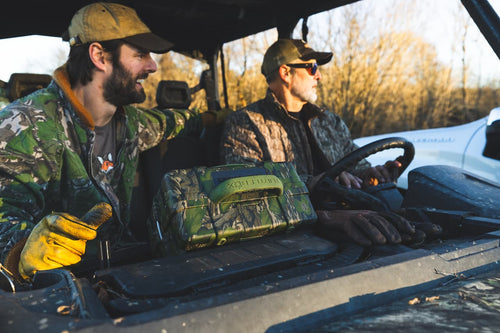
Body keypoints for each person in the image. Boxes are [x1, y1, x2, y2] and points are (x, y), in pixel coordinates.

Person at [0, 3, 223, 282]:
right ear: (99, 56)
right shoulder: (22, 125)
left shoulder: (130, 121)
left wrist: (211, 118)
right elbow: (4, 217)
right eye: (140, 54)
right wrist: (19, 251)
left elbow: (172, 121)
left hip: (128, 274)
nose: (152, 66)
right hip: (63, 290)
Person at [221, 39, 435, 246]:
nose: (319, 76)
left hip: (355, 215)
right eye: (312, 68)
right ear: (286, 73)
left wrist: (373, 176)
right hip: (296, 234)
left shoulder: (329, 120)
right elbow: (247, 190)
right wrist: (314, 183)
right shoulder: (245, 123)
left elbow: (356, 167)